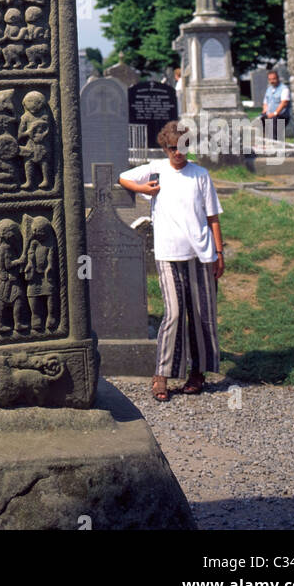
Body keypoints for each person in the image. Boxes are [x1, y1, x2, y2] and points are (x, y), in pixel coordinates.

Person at [119, 118, 224, 403]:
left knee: (202, 315)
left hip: (201, 254)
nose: (178, 152)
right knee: (174, 313)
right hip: (167, 252)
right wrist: (145, 191)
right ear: (164, 148)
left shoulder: (200, 175)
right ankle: (162, 374)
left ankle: (198, 372)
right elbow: (123, 178)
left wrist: (219, 253)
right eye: (173, 148)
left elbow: (212, 216)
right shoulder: (157, 170)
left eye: (184, 146)